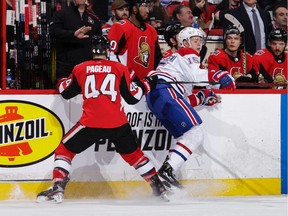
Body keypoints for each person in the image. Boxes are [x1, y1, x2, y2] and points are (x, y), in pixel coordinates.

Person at [36, 35, 168, 203]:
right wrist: (148, 83)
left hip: (91, 123)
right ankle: (158, 188)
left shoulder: (80, 68)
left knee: (64, 151)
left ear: (91, 50)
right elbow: (133, 97)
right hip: (118, 124)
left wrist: (62, 79)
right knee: (135, 156)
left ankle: (58, 188)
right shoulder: (120, 68)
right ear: (108, 50)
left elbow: (66, 91)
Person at [145, 27, 235, 188]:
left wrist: (202, 97)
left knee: (183, 137)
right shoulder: (186, 52)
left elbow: (183, 98)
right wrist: (219, 75)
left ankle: (164, 178)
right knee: (195, 132)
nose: (199, 44)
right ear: (185, 42)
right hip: (166, 90)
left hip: (156, 96)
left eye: (201, 41)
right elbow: (196, 76)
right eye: (195, 40)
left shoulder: (172, 59)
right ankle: (167, 171)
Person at [107, 0, 162, 80]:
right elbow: (111, 55)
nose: (147, 11)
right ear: (134, 9)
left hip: (147, 84)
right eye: (145, 6)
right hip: (127, 83)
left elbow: (157, 57)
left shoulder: (152, 30)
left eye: (148, 7)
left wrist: (152, 77)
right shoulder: (120, 27)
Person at [49, 0, 102, 81]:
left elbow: (98, 41)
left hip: (87, 68)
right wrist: (73, 34)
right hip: (66, 67)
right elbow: (53, 32)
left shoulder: (94, 19)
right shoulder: (61, 14)